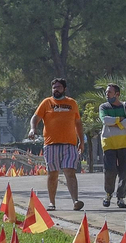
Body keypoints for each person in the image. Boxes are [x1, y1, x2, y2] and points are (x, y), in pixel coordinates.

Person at [29, 78, 85, 212]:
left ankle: (75, 201)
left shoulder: (72, 103)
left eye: (59, 87)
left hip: (69, 144)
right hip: (51, 144)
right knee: (52, 174)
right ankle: (51, 203)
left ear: (64, 89)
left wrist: (81, 142)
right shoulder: (46, 102)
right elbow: (35, 118)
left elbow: (78, 124)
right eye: (54, 87)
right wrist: (32, 128)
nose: (56, 89)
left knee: (70, 172)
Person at [99, 83, 126, 208]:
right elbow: (105, 120)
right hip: (109, 143)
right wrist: (120, 120)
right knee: (110, 170)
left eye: (109, 92)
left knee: (123, 172)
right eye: (106, 92)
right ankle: (108, 194)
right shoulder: (103, 106)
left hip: (124, 143)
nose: (107, 94)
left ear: (117, 94)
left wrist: (114, 121)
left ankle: (121, 198)